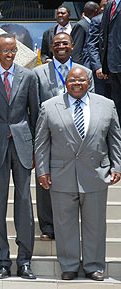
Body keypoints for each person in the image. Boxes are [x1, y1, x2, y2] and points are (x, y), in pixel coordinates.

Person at [35, 67, 121, 281]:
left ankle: (94, 265)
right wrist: (42, 170)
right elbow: (41, 142)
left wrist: (117, 166)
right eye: (72, 80)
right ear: (66, 82)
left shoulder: (107, 105)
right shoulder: (49, 106)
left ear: (88, 81)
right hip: (61, 173)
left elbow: (115, 139)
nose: (76, 83)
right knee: (65, 224)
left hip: (95, 172)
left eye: (81, 80)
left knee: (95, 223)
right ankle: (70, 265)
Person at [0, 33, 39, 280]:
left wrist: (37, 150)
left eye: (13, 50)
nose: (10, 54)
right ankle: (3, 260)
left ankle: (24, 260)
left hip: (23, 146)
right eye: (6, 50)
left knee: (24, 204)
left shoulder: (29, 76)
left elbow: (35, 115)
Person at [33, 32, 94, 241]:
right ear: (51, 46)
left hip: (77, 137)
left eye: (65, 43)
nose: (60, 46)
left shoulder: (85, 72)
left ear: (72, 46)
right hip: (48, 134)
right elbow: (33, 105)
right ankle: (48, 226)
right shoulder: (38, 73)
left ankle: (72, 224)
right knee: (45, 180)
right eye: (56, 43)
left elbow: (92, 104)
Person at [84, 0, 110, 98]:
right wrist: (98, 66)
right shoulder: (97, 20)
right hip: (101, 71)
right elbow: (91, 45)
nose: (103, 9)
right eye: (102, 6)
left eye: (106, 6)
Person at [100, 0, 121, 120]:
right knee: (116, 103)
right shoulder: (109, 5)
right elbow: (104, 34)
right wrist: (104, 64)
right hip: (112, 63)